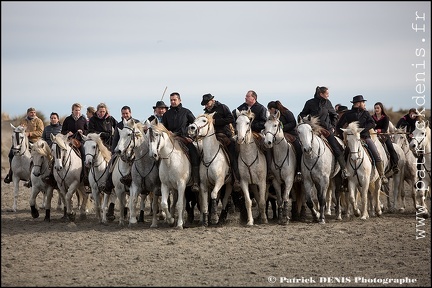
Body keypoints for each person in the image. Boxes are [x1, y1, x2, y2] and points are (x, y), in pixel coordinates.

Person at [298, 86, 350, 179]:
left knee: (336, 146)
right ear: (321, 94)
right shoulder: (309, 103)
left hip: (326, 129)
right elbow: (302, 114)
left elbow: (334, 115)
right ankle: (299, 171)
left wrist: (332, 127)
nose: (328, 95)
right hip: (313, 129)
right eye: (327, 94)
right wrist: (306, 119)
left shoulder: (328, 103)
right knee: (303, 144)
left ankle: (344, 169)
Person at [336, 95, 388, 184]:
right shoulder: (348, 114)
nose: (364, 104)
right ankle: (344, 177)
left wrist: (363, 130)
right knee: (344, 154)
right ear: (358, 103)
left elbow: (372, 123)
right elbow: (338, 126)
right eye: (363, 102)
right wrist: (344, 137)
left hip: (365, 137)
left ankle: (382, 175)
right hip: (352, 140)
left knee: (375, 152)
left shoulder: (366, 113)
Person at [201, 93, 241, 191]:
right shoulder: (206, 112)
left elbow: (231, 119)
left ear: (212, 100)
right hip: (211, 136)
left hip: (224, 134)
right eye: (205, 104)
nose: (206, 105)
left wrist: (215, 122)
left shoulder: (222, 107)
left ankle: (236, 179)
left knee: (232, 154)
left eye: (207, 103)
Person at [162, 92, 200, 192]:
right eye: (171, 100)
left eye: (174, 100)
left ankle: (195, 181)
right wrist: (166, 131)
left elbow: (195, 125)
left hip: (185, 139)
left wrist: (191, 136)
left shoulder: (186, 112)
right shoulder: (166, 114)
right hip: (170, 141)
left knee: (195, 154)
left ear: (180, 100)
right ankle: (160, 181)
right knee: (158, 155)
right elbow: (162, 127)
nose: (173, 102)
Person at [232, 90, 271, 179]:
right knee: (233, 146)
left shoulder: (261, 108)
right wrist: (238, 128)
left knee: (266, 147)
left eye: (247, 96)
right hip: (242, 133)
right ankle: (235, 172)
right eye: (246, 96)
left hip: (256, 132)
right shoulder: (241, 107)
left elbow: (264, 122)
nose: (245, 98)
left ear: (253, 98)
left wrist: (250, 126)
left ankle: (268, 171)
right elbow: (234, 118)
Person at [102, 106, 140, 194]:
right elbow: (115, 139)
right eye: (123, 114)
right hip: (121, 149)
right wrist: (113, 151)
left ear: (130, 113)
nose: (125, 115)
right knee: (111, 163)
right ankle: (108, 183)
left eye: (126, 113)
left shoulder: (136, 123)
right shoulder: (119, 125)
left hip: (134, 150)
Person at [4, 107, 44, 184]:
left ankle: (39, 173)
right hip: (22, 141)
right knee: (11, 153)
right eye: (31, 112)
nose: (33, 114)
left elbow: (41, 132)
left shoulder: (39, 121)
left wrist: (29, 133)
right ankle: (11, 173)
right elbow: (19, 130)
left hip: (34, 141)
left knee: (38, 155)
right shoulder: (23, 121)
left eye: (34, 112)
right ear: (28, 113)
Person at [267, 100, 303, 182]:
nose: (269, 111)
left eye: (269, 109)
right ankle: (270, 170)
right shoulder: (272, 117)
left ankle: (299, 170)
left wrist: (282, 128)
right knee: (268, 147)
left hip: (291, 133)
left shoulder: (287, 112)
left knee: (297, 146)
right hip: (277, 135)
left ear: (273, 109)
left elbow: (293, 123)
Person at [61, 103, 88, 186]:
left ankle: (84, 173)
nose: (77, 112)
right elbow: (63, 131)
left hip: (80, 141)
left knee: (83, 151)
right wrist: (67, 132)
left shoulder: (83, 119)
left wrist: (82, 132)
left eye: (79, 110)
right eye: (76, 110)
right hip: (69, 141)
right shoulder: (67, 119)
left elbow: (87, 131)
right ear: (72, 110)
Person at [372, 102, 400, 174]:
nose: (376, 109)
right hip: (373, 135)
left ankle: (395, 165)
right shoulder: (372, 117)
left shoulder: (385, 118)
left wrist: (378, 130)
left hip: (383, 135)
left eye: (378, 108)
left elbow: (384, 129)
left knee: (390, 147)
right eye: (375, 108)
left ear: (381, 108)